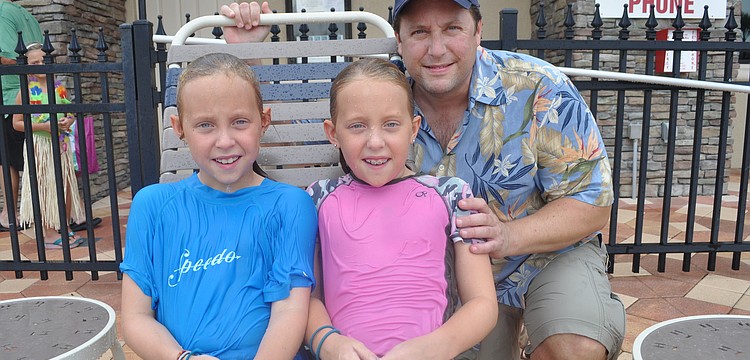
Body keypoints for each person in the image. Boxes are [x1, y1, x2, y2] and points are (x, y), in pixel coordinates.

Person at [222, 1, 626, 359]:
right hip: (440, 283)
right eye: (419, 32)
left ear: (477, 30)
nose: (436, 49)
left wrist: (507, 236)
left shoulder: (540, 88)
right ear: (399, 39)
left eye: (452, 28)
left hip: (541, 256)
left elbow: (593, 202)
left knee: (574, 344)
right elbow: (298, 134)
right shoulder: (381, 91)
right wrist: (252, 55)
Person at [119, 53, 317, 359]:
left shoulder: (289, 205)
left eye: (239, 122)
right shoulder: (153, 206)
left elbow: (290, 310)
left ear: (263, 121)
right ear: (179, 127)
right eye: (205, 125)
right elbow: (135, 318)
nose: (224, 141)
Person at [304, 58, 497, 359]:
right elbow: (306, 298)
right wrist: (329, 343)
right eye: (357, 126)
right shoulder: (317, 200)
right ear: (333, 133)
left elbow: (482, 303)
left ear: (413, 128)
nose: (376, 142)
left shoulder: (451, 195)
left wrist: (434, 348)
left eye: (391, 124)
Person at [12, 43, 85, 248]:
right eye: (34, 62)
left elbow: (70, 112)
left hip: (60, 144)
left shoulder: (59, 87)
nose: (40, 64)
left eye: (44, 60)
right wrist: (44, 126)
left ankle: (65, 226)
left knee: (66, 186)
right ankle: (50, 233)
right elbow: (17, 123)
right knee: (46, 187)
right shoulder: (25, 90)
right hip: (39, 146)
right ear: (27, 66)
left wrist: (69, 120)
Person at [0, 0, 42, 232]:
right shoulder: (27, 15)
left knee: (6, 159)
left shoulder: (2, 12)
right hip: (34, 92)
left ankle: (10, 213)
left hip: (12, 93)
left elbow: (10, 57)